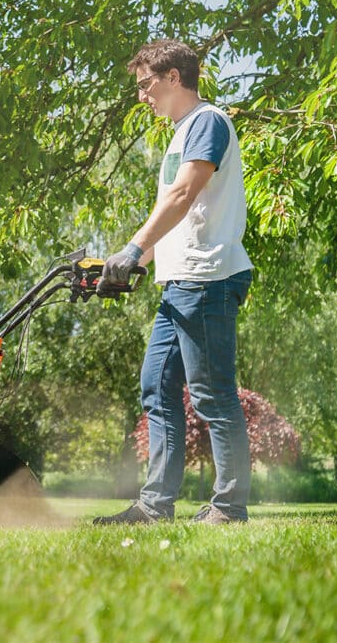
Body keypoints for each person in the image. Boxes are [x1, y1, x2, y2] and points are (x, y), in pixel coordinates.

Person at [93, 39, 254, 525]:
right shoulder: (184, 130)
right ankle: (154, 505)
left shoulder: (207, 122)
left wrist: (133, 249)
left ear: (173, 78)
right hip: (181, 281)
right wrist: (141, 261)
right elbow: (180, 213)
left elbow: (185, 194)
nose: (142, 96)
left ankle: (229, 507)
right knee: (156, 388)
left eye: (145, 85)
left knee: (212, 394)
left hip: (208, 278)